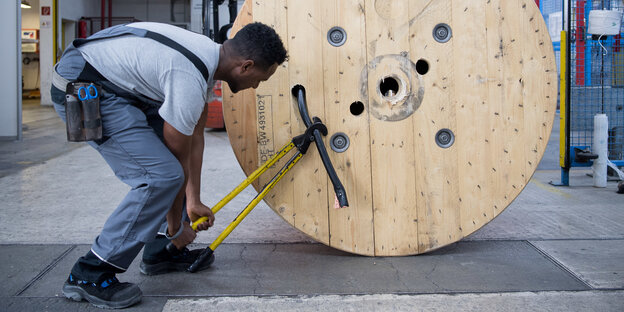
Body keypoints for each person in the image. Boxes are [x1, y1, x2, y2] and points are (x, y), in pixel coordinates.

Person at [50, 21, 287, 309]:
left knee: (170, 173)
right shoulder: (189, 75)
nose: (257, 86)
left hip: (121, 86)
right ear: (246, 66)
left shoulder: (207, 60)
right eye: (263, 78)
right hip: (86, 86)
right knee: (159, 176)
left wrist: (193, 201)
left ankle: (159, 252)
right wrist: (176, 227)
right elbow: (175, 161)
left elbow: (194, 140)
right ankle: (90, 272)